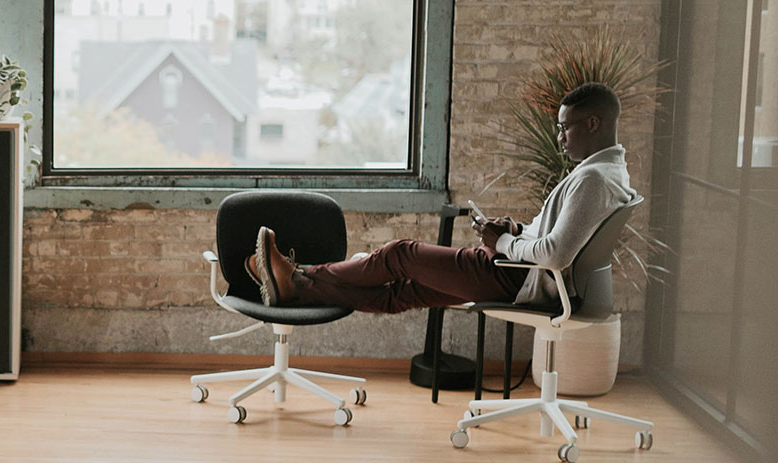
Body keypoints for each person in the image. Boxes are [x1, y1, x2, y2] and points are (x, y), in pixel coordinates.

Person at [249, 81, 636, 314]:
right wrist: (517, 230)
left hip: (515, 277)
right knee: (406, 292)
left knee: (400, 254)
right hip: (517, 273)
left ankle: (301, 276)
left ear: (593, 124)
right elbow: (557, 238)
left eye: (565, 128)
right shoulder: (608, 173)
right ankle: (297, 289)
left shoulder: (593, 179)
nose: (560, 137)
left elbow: (556, 255)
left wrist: (503, 242)